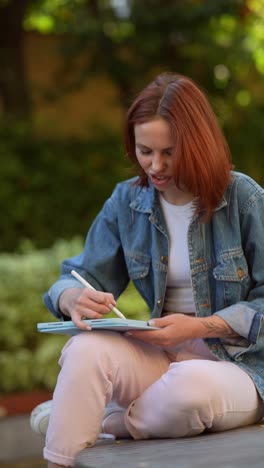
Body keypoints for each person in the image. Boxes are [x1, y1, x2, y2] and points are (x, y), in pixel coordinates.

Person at [34, 72, 264, 468]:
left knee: (190, 389)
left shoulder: (243, 198)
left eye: (169, 153)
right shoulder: (128, 202)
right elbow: (77, 276)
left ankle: (110, 422)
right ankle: (59, 463)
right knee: (85, 349)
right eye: (144, 151)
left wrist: (200, 327)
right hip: (161, 359)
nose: (155, 166)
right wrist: (71, 298)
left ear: (198, 145)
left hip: (238, 368)